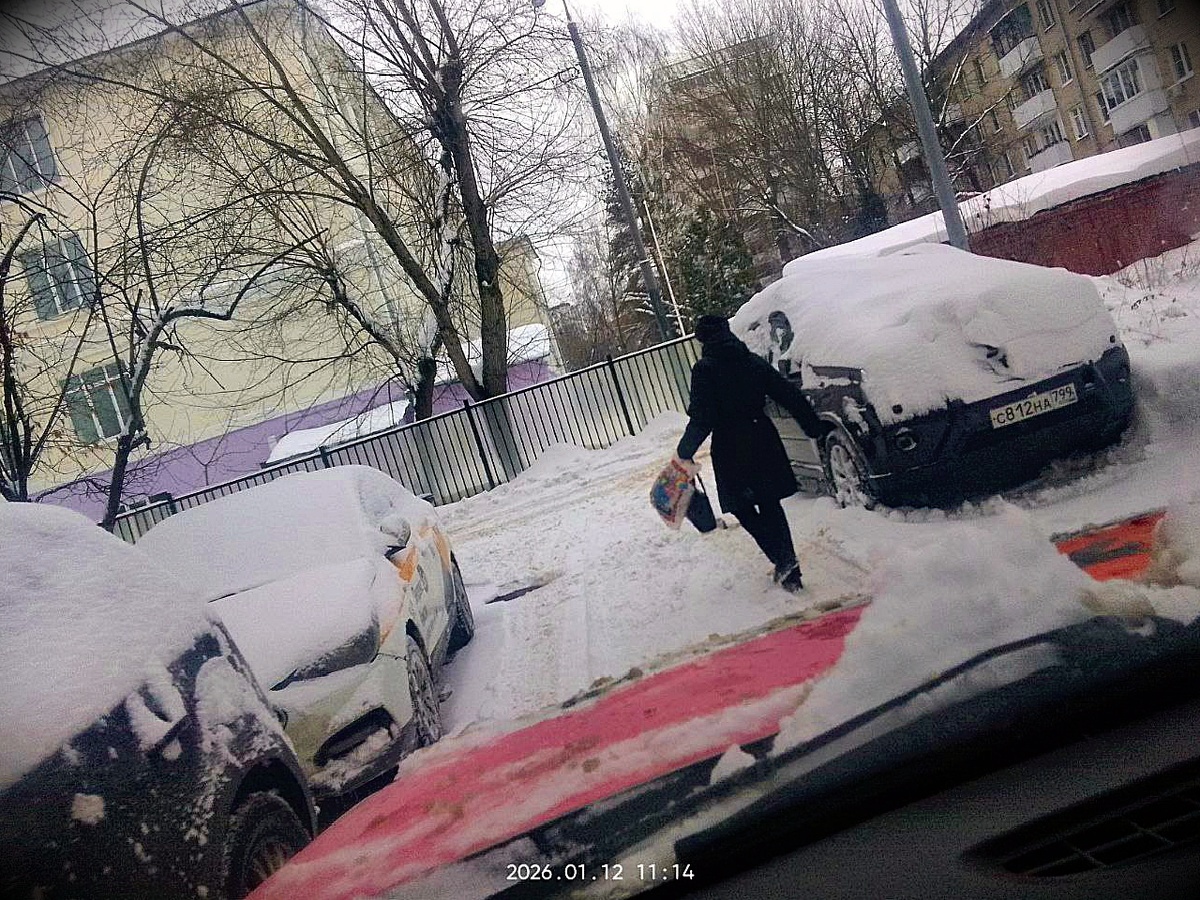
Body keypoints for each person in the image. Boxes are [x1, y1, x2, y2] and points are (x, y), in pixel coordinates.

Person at [676, 314, 832, 592]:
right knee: (770, 502)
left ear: (702, 339)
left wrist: (684, 452)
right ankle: (788, 566)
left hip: (730, 446)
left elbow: (702, 417)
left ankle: (783, 560)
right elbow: (787, 393)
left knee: (740, 506)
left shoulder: (705, 370)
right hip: (762, 437)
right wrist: (812, 426)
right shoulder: (751, 361)